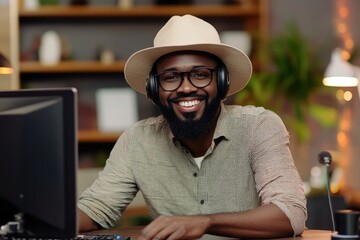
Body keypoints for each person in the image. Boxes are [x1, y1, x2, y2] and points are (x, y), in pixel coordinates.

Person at [77, 14, 307, 239]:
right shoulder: (137, 140)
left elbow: (290, 213)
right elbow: (94, 210)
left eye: (200, 74)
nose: (186, 88)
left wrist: (205, 222)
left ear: (222, 83)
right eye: (170, 77)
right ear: (154, 89)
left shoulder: (259, 126)